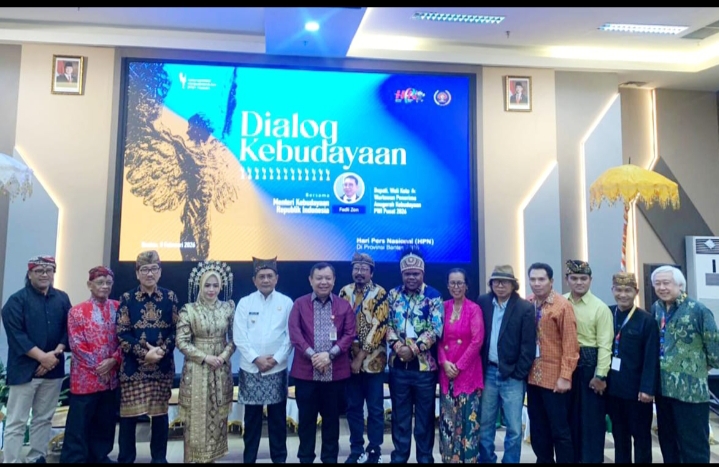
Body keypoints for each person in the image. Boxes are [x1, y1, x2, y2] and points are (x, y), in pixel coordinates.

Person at [1, 255, 71, 464]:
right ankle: (12, 460)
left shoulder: (62, 298)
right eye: (39, 271)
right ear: (30, 274)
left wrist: (54, 355)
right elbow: (17, 335)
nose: (44, 275)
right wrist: (42, 358)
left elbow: (69, 329)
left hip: (53, 369)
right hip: (24, 371)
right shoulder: (16, 300)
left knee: (44, 419)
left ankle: (36, 458)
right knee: (17, 421)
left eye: (48, 270)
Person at [651, 265, 719, 463]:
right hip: (664, 389)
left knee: (693, 445)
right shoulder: (656, 309)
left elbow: (714, 346)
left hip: (691, 391)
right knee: (668, 442)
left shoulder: (698, 310)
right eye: (657, 284)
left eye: (666, 283)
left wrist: (700, 368)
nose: (662, 287)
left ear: (680, 285)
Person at [116, 250, 179, 464]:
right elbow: (122, 333)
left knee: (160, 416)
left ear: (160, 272)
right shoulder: (127, 298)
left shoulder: (170, 297)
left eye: (154, 269)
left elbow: (177, 330)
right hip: (133, 368)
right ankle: (126, 459)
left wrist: (160, 352)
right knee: (128, 417)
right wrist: (145, 354)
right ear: (137, 273)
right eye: (144, 269)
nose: (149, 274)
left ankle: (159, 458)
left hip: (162, 367)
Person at [289, 262, 356, 464]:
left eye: (328, 278)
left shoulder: (343, 306)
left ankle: (329, 459)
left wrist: (330, 355)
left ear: (334, 280)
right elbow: (295, 334)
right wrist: (314, 356)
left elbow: (349, 334)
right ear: (310, 280)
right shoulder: (299, 304)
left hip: (335, 376)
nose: (323, 282)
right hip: (305, 375)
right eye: (319, 278)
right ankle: (305, 459)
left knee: (332, 423)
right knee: (306, 422)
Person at [386, 247, 443, 464]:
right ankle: (399, 458)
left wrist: (413, 349)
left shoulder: (433, 296)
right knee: (399, 418)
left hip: (425, 370)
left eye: (415, 274)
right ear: (402, 274)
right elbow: (387, 325)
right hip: (398, 368)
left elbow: (435, 329)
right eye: (407, 274)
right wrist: (398, 347)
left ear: (423, 273)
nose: (411, 277)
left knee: (424, 420)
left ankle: (425, 459)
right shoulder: (393, 295)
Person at [234, 257, 293, 464]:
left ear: (276, 278)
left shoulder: (286, 303)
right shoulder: (245, 302)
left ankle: (279, 460)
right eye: (261, 276)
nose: (266, 280)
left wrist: (275, 360)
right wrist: (256, 359)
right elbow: (239, 336)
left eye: (269, 276)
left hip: (277, 369)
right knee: (252, 421)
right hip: (251, 369)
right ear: (254, 280)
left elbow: (290, 337)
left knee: (277, 421)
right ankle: (249, 459)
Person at [60, 266, 121, 464]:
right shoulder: (77, 311)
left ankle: (100, 457)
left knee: (105, 422)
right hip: (85, 379)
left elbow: (125, 339)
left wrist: (114, 360)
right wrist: (100, 367)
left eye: (108, 283)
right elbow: (76, 345)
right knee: (79, 423)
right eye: (100, 282)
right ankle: (75, 459)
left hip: (111, 377)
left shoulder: (119, 308)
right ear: (90, 285)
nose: (105, 286)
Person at [176, 260, 236, 463]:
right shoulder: (189, 310)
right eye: (207, 285)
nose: (211, 290)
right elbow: (181, 341)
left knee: (217, 417)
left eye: (215, 285)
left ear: (221, 286)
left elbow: (234, 339)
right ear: (200, 285)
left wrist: (223, 357)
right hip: (196, 370)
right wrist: (205, 358)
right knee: (195, 417)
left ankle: (212, 459)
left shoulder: (228, 308)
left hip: (220, 369)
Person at [477, 265, 536, 464]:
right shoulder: (483, 302)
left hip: (512, 376)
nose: (500, 285)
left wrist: (518, 373)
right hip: (488, 372)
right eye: (496, 281)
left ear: (513, 285)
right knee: (485, 424)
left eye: (505, 282)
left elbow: (528, 346)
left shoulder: (524, 307)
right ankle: (487, 460)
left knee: (513, 427)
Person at [338, 252, 390, 464]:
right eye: (356, 268)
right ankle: (356, 449)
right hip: (348, 361)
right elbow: (339, 324)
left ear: (371, 273)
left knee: (375, 409)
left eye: (364, 269)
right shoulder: (345, 291)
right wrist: (347, 355)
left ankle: (375, 450)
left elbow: (379, 327)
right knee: (353, 408)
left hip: (373, 361)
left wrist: (360, 357)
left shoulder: (380, 293)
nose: (359, 272)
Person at [525, 262, 579, 464]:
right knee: (538, 429)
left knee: (560, 430)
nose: (537, 283)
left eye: (541, 279)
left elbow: (570, 345)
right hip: (532, 377)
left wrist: (565, 376)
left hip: (555, 379)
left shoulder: (562, 306)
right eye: (533, 279)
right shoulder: (528, 303)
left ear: (551, 281)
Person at [605, 272, 658, 464]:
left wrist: (647, 388)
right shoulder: (606, 314)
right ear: (612, 290)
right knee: (620, 437)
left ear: (636, 291)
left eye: (627, 290)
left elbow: (651, 357)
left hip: (637, 392)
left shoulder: (646, 320)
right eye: (618, 290)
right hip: (613, 390)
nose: (623, 294)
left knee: (641, 437)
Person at [564, 259, 613, 463]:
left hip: (589, 368)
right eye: (574, 278)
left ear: (590, 280)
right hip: (565, 368)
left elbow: (605, 345)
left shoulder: (600, 308)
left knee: (591, 423)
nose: (579, 282)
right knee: (568, 420)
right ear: (567, 280)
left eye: (583, 278)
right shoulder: (560, 303)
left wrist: (600, 375)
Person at [438, 268, 484, 463]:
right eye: (452, 283)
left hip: (468, 375)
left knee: (468, 423)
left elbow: (477, 340)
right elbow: (437, 339)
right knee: (448, 423)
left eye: (460, 283)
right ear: (447, 285)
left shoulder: (474, 309)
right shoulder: (442, 307)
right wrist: (444, 363)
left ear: (466, 285)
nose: (456, 287)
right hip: (446, 373)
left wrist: (458, 366)